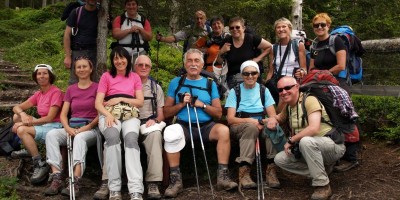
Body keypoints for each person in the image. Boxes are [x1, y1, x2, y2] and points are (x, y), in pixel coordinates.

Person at [163, 49, 237, 198]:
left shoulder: (210, 84)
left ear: (202, 64)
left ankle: (222, 177)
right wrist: (182, 105)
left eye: (197, 61)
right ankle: (176, 181)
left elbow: (217, 112)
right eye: (189, 61)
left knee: (223, 131)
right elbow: (166, 112)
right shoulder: (176, 82)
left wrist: (202, 105)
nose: (193, 64)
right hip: (184, 125)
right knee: (170, 133)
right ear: (185, 64)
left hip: (207, 127)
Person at [269, 76, 345, 200]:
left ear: (297, 87)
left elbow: (313, 128)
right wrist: (271, 118)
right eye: (280, 90)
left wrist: (291, 140)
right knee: (280, 159)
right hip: (310, 148)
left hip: (332, 146)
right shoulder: (289, 106)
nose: (284, 92)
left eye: (288, 88)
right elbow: (278, 118)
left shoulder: (309, 100)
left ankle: (323, 186)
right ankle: (321, 172)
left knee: (305, 141)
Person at [44, 57, 101, 197]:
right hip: (72, 126)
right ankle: (57, 176)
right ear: (75, 71)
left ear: (91, 69)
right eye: (78, 67)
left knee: (80, 138)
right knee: (51, 135)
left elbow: (101, 114)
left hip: (91, 128)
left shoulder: (97, 87)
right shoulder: (71, 89)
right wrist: (68, 128)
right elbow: (63, 114)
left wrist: (86, 128)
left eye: (84, 66)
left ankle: (75, 181)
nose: (81, 69)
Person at [309, 13, 359, 172]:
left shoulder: (337, 41)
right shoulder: (314, 46)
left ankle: (351, 157)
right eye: (316, 25)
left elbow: (341, 65)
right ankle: (333, 155)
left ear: (328, 25)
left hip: (338, 84)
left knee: (344, 118)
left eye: (323, 25)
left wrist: (323, 74)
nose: (320, 28)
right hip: (320, 86)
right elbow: (311, 67)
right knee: (327, 119)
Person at [95, 46, 144, 200]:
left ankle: (135, 189)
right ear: (112, 60)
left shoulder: (134, 77)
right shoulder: (106, 77)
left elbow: (140, 101)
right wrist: (108, 115)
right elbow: (98, 103)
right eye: (116, 58)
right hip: (109, 114)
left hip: (130, 115)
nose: (119, 61)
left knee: (130, 140)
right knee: (112, 137)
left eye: (122, 58)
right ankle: (114, 188)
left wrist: (122, 99)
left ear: (128, 59)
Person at [225, 60, 280, 189]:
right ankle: (244, 173)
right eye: (246, 73)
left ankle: (271, 171)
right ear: (242, 75)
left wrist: (262, 122)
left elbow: (272, 115)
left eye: (253, 73)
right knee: (250, 128)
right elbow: (230, 119)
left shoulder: (263, 90)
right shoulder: (235, 91)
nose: (250, 76)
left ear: (258, 74)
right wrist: (250, 121)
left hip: (260, 123)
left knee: (272, 127)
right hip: (240, 125)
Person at [11, 64, 63, 184]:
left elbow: (49, 118)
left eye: (45, 73)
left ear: (50, 76)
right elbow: (16, 107)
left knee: (22, 130)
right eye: (39, 74)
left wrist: (26, 124)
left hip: (55, 128)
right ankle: (30, 149)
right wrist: (23, 116)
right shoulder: (39, 94)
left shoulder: (56, 92)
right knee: (16, 116)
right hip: (44, 126)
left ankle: (39, 163)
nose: (42, 76)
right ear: (36, 77)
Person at [133, 55, 165, 199]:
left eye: (147, 65)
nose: (144, 67)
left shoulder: (156, 88)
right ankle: (126, 182)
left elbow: (161, 114)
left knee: (155, 136)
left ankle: (153, 182)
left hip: (148, 124)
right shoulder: (127, 85)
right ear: (135, 67)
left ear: (150, 68)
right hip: (130, 123)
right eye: (140, 65)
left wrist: (155, 120)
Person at [217, 16, 272, 89]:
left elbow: (269, 47)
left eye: (237, 27)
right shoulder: (226, 41)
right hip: (234, 79)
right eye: (232, 28)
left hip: (252, 77)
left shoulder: (251, 38)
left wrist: (257, 59)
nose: (235, 29)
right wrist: (221, 52)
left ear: (243, 28)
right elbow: (219, 62)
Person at [266, 17, 307, 110]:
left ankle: (277, 120)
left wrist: (301, 72)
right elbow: (271, 71)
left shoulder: (298, 45)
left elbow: (304, 68)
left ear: (290, 28)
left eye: (284, 26)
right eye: (278, 27)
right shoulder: (274, 48)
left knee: (282, 106)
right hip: (277, 83)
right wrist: (266, 86)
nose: (281, 29)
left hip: (293, 81)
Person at [63, 0, 99, 85]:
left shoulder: (101, 14)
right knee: (75, 81)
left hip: (94, 53)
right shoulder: (76, 12)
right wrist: (68, 56)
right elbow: (67, 35)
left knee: (94, 81)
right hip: (78, 51)